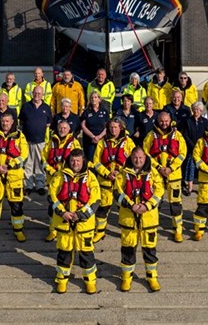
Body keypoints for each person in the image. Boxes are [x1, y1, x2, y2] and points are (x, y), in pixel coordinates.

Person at [49, 148, 101, 294]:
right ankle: (62, 280)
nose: (75, 163)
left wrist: (80, 215)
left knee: (86, 254)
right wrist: (62, 212)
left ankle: (90, 281)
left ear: (83, 161)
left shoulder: (91, 177)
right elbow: (51, 196)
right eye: (72, 160)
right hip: (63, 221)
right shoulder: (59, 175)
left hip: (84, 224)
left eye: (78, 160)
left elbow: (95, 200)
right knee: (64, 252)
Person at [116, 147, 164, 292]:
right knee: (128, 250)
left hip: (148, 219)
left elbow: (159, 191)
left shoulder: (153, 172)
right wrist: (132, 206)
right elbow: (117, 192)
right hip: (129, 219)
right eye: (135, 158)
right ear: (131, 158)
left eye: (141, 158)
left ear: (145, 158)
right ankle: (126, 278)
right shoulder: (123, 173)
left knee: (150, 250)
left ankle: (152, 277)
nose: (138, 160)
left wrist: (147, 206)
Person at [0, 112, 28, 242]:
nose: (5, 123)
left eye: (7, 121)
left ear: (12, 122)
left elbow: (24, 154)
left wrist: (10, 165)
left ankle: (18, 230)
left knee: (16, 204)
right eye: (3, 121)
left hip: (14, 176)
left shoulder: (20, 137)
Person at [143, 111, 187, 242]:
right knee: (156, 202)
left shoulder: (177, 135)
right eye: (161, 121)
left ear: (170, 120)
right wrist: (158, 168)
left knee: (175, 204)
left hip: (174, 175)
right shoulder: (151, 135)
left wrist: (171, 168)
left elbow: (182, 153)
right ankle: (152, 227)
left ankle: (178, 230)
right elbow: (146, 154)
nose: (164, 123)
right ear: (157, 121)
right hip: (156, 175)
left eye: (166, 121)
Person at [92, 118, 133, 242]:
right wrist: (107, 173)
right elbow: (96, 162)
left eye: (116, 127)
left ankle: (126, 232)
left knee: (124, 209)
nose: (113, 130)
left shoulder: (128, 142)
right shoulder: (102, 143)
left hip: (122, 183)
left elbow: (134, 161)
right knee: (102, 209)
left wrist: (119, 172)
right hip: (105, 182)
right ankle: (100, 232)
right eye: (111, 127)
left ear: (121, 127)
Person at [42, 119, 78, 241]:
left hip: (68, 180)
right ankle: (52, 230)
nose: (62, 130)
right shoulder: (51, 142)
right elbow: (43, 159)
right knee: (52, 204)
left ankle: (66, 227)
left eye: (65, 128)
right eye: (60, 128)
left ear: (69, 130)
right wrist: (51, 171)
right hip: (52, 178)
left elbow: (78, 160)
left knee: (68, 203)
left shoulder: (74, 143)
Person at [19, 85, 53, 194]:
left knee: (40, 163)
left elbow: (49, 124)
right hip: (27, 140)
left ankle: (40, 185)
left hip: (41, 140)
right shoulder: (25, 106)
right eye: (35, 93)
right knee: (28, 163)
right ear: (32, 93)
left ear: (42, 95)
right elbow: (21, 122)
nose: (37, 95)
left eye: (39, 93)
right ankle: (28, 185)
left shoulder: (46, 108)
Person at [183, 101, 208, 196]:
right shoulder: (188, 121)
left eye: (198, 110)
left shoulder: (205, 121)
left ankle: (202, 186)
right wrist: (192, 145)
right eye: (194, 109)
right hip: (190, 147)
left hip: (202, 148)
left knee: (202, 167)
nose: (196, 111)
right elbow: (185, 135)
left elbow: (206, 134)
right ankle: (189, 187)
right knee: (191, 167)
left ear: (201, 111)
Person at [79, 91, 109, 161]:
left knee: (102, 159)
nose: (93, 99)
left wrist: (99, 136)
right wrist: (93, 136)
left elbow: (108, 126)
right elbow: (83, 126)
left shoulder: (104, 111)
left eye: (95, 97)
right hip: (89, 140)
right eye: (92, 97)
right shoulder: (86, 111)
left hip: (102, 139)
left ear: (99, 99)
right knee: (90, 160)